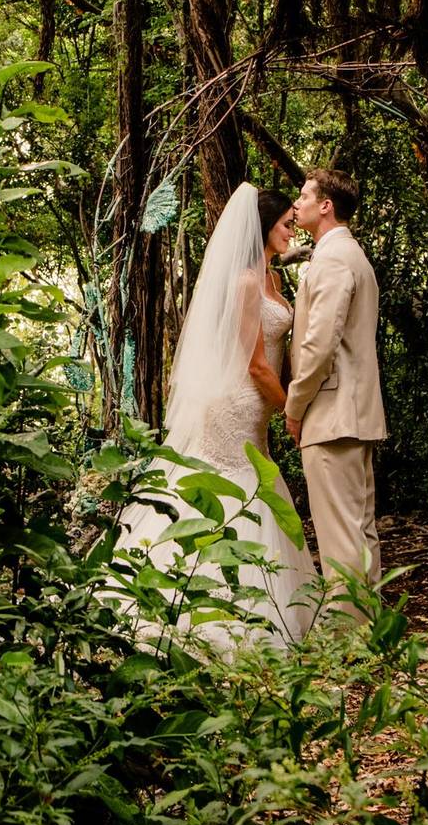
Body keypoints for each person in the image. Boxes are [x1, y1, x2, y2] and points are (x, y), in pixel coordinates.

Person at [112, 183, 320, 649]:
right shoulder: (246, 281)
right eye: (286, 224)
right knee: (230, 490)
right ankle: (204, 613)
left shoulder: (272, 276)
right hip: (235, 403)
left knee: (254, 489)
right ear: (263, 227)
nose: (291, 230)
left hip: (256, 408)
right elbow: (254, 362)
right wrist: (292, 407)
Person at [283, 167, 387, 621]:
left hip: (331, 414)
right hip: (356, 413)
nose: (296, 204)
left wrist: (294, 405)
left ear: (326, 205)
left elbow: (319, 345)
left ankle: (350, 642)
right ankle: (372, 630)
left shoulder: (332, 259)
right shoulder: (351, 255)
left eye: (304, 195)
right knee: (360, 531)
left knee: (340, 538)